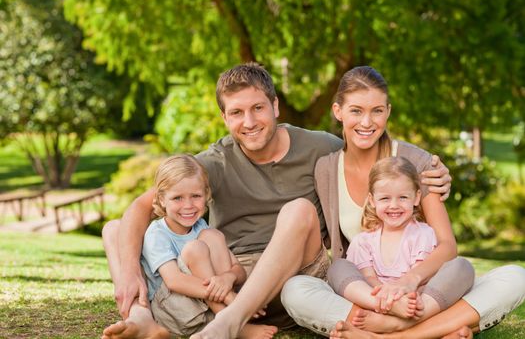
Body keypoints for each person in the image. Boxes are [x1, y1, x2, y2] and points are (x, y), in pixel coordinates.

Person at [101, 62, 451, 339]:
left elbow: (371, 147)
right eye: (236, 113)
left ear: (276, 106)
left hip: (297, 271)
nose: (249, 122)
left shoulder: (320, 147)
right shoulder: (213, 162)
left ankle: (228, 323)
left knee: (298, 210)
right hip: (230, 278)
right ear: (224, 118)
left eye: (258, 108)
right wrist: (129, 272)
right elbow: (143, 205)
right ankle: (143, 317)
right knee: (116, 230)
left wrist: (428, 171)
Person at [280, 66, 525, 339]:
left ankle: (392, 333)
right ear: (338, 112)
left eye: (377, 111)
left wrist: (409, 282)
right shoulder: (325, 169)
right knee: (295, 290)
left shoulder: (416, 162)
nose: (366, 122)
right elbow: (332, 254)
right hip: (367, 296)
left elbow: (447, 245)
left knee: (516, 278)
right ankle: (436, 329)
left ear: (388, 111)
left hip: (422, 292)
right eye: (356, 111)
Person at [138, 154, 277, 339]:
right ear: (162, 199)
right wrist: (232, 299)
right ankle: (232, 320)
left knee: (212, 236)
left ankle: (228, 318)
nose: (188, 205)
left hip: (202, 306)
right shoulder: (157, 233)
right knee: (195, 249)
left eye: (196, 196)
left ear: (206, 195)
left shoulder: (202, 228)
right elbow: (174, 281)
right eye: (177, 198)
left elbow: (239, 270)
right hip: (173, 311)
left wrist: (227, 278)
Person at [342, 156, 473, 331]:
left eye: (403, 197)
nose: (394, 205)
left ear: (416, 198)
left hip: (416, 300)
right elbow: (368, 279)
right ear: (372, 201)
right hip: (379, 301)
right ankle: (433, 329)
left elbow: (420, 282)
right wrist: (391, 301)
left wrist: (406, 300)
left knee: (462, 267)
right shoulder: (363, 242)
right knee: (338, 267)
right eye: (385, 199)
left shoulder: (422, 234)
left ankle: (394, 325)